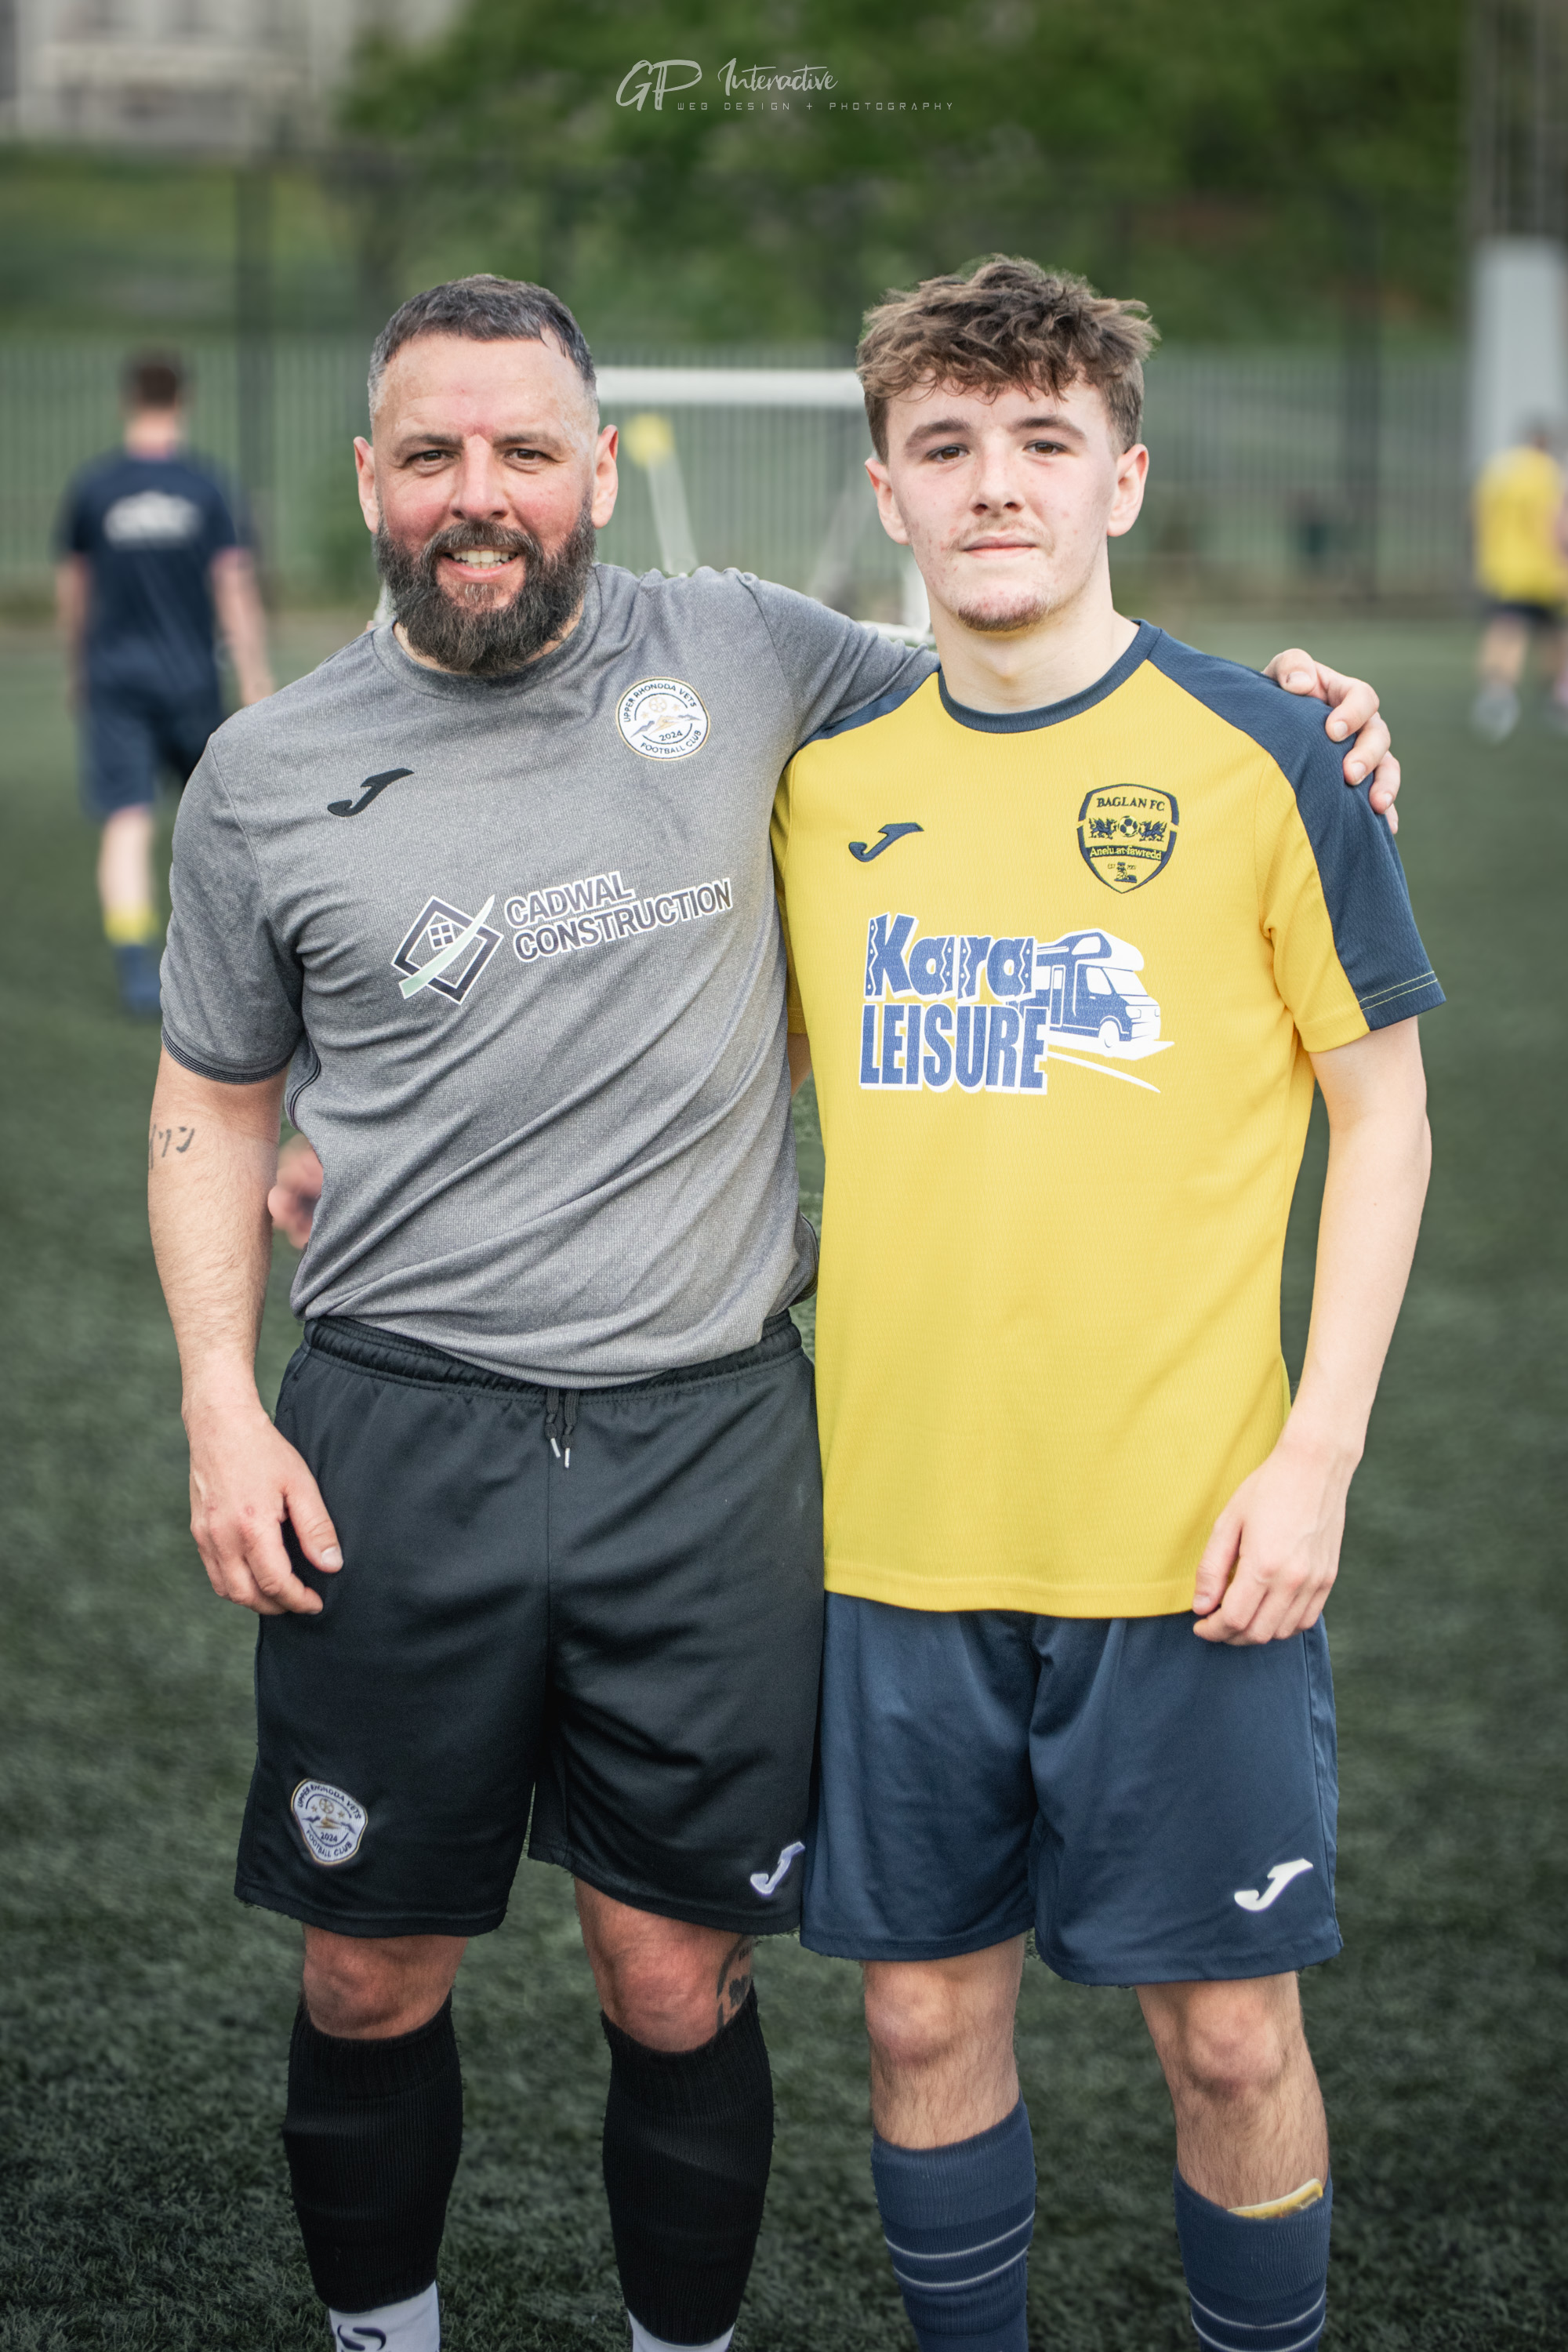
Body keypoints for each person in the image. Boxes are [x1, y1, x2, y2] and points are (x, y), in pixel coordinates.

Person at [145, 274, 1401, 2352]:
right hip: (427, 1437)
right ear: (368, 480)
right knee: (388, 1966)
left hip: (721, 1447)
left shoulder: (748, 652)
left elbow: (1030, 681)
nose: (483, 491)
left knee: (681, 1971)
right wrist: (217, 1381)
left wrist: (1305, 716)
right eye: (436, 453)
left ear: (598, 470)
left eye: (526, 450)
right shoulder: (269, 771)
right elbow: (216, 1094)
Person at [774, 258, 1439, 2352]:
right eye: (950, 448)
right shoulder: (814, 784)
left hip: (1192, 1541)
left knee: (1232, 2048)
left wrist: (1318, 1453)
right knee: (915, 2025)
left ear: (1122, 481)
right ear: (886, 488)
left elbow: (1390, 1118)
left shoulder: (1271, 751)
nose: (998, 488)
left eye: (1044, 444)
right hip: (896, 1533)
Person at [55, 351, 274, 1017]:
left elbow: (74, 589)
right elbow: (232, 585)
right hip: (189, 682)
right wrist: (255, 673)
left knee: (127, 821)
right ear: (184, 400)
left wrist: (76, 665)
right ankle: (244, 961)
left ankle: (135, 971)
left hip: (116, 680)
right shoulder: (205, 487)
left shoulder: (94, 488)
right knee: (220, 825)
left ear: (129, 400)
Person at [1469, 419, 1568, 742]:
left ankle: (1497, 693)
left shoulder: (1498, 471)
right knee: (1554, 634)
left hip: (1503, 569)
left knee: (1506, 629)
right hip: (1545, 572)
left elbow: (1478, 515)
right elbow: (1556, 525)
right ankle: (1559, 695)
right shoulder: (1548, 473)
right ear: (1545, 443)